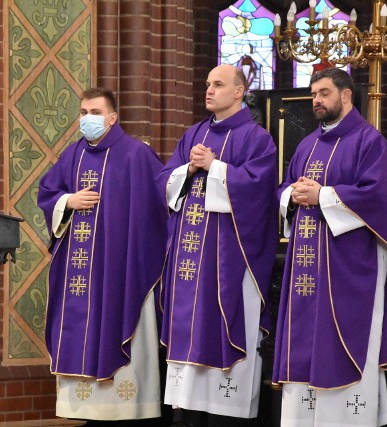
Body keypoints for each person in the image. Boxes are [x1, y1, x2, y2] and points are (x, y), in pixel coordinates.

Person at [273, 67, 387, 426]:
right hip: (306, 272)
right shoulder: (307, 145)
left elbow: (381, 200)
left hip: (350, 272)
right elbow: (284, 188)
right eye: (313, 94)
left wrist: (322, 195)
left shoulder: (370, 142)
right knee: (303, 342)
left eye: (324, 93)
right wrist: (291, 196)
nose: (316, 100)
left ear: (347, 96)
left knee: (346, 342)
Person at [157, 64, 279, 425]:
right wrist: (188, 171)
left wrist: (215, 167)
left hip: (229, 259)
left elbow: (259, 192)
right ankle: (187, 414)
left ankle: (226, 416)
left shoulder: (257, 138)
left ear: (239, 92)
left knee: (224, 327)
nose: (208, 90)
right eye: (207, 83)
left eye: (218, 84)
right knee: (188, 333)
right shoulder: (193, 133)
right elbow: (163, 181)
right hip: (189, 261)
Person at [37, 88, 167, 423]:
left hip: (120, 273)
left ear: (112, 118)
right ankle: (85, 413)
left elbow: (160, 209)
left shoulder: (137, 154)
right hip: (80, 274)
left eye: (94, 112)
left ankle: (127, 412)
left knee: (121, 328)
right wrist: (67, 202)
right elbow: (49, 192)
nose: (87, 119)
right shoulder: (73, 154)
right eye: (82, 112)